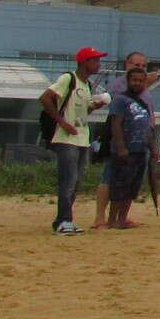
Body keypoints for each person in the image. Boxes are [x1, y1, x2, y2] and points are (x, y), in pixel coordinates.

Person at [40, 47, 107, 236]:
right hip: (66, 138)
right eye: (94, 60)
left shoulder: (86, 85)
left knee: (76, 181)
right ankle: (64, 220)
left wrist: (96, 106)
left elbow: (82, 112)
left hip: (81, 139)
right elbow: (45, 98)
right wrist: (62, 122)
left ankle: (65, 219)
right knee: (68, 180)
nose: (98, 64)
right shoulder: (68, 79)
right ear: (84, 62)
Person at [93, 52, 153, 229]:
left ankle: (122, 218)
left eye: (143, 66)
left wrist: (151, 144)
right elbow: (114, 116)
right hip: (121, 143)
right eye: (136, 65)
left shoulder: (145, 90)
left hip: (140, 144)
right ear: (127, 65)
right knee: (110, 178)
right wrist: (120, 146)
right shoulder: (119, 85)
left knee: (131, 182)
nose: (140, 69)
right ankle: (101, 218)